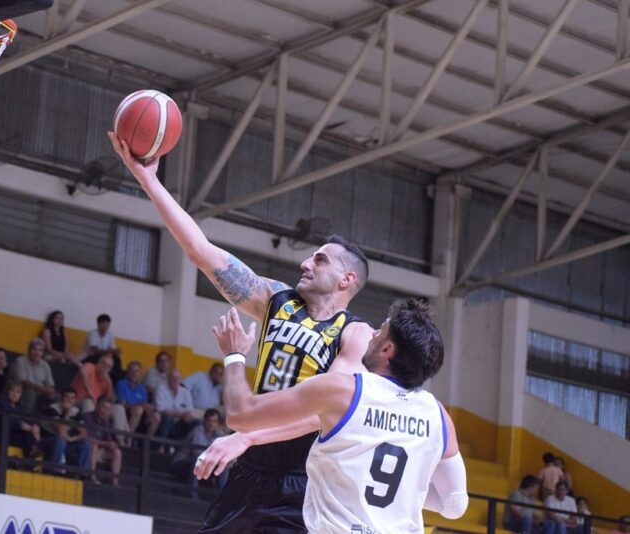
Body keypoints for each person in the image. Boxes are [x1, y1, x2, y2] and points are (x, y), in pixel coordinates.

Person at [110, 132, 373, 532]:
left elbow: (323, 413)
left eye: (319, 260)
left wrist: (247, 436)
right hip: (249, 468)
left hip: (303, 476)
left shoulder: (356, 335)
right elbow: (200, 251)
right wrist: (147, 179)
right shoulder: (275, 300)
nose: (305, 263)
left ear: (346, 279)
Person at [211, 302, 468, 533]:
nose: (372, 334)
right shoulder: (439, 416)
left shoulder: (342, 390)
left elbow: (239, 414)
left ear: (387, 349)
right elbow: (455, 504)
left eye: (380, 331)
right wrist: (408, 488)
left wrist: (234, 355)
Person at [172, 408, 228, 498]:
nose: (211, 424)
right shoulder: (197, 431)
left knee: (222, 466)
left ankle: (223, 497)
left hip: (205, 466)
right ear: (204, 421)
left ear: (217, 423)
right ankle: (192, 494)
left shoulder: (219, 435)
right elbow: (197, 453)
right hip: (182, 463)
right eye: (209, 421)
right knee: (198, 460)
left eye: (214, 421)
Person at [39, 388, 91, 475]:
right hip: (49, 441)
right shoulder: (53, 408)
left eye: (72, 398)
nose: (70, 400)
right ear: (62, 398)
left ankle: (82, 474)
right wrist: (67, 413)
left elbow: (84, 433)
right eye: (67, 397)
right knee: (61, 440)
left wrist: (73, 438)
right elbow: (60, 430)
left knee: (86, 443)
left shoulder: (76, 411)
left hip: (67, 442)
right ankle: (54, 470)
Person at [0, 381, 42, 460]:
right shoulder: (1, 403)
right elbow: (12, 420)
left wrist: (34, 428)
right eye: (12, 391)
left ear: (21, 395)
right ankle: (34, 450)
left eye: (18, 392)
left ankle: (34, 450)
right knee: (27, 434)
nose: (15, 394)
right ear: (7, 391)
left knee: (28, 433)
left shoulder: (19, 407)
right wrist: (28, 427)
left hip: (10, 435)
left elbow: (26, 421)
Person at [8, 338, 57, 413]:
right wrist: (41, 389)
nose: (37, 353)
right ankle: (25, 417)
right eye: (34, 349)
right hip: (22, 391)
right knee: (30, 392)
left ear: (43, 353)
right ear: (29, 350)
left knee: (57, 397)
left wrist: (50, 390)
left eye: (40, 350)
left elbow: (50, 384)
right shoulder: (20, 361)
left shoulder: (45, 365)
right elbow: (23, 382)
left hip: (40, 393)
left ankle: (49, 419)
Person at [115, 360, 161, 439]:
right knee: (138, 409)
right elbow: (122, 405)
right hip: (127, 414)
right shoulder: (121, 384)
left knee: (157, 416)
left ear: (140, 373)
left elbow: (144, 404)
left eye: (137, 371)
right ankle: (128, 438)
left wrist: (149, 409)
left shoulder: (142, 388)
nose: (134, 373)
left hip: (142, 416)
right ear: (127, 372)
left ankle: (146, 442)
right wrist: (138, 405)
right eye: (132, 370)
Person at [155, 368, 200, 446]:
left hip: (179, 422)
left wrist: (182, 415)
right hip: (164, 421)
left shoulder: (185, 392)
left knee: (196, 423)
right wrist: (180, 414)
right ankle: (160, 447)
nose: (175, 380)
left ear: (181, 380)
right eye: (172, 377)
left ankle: (189, 448)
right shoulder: (161, 389)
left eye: (177, 378)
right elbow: (161, 409)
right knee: (167, 419)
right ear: (168, 378)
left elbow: (189, 410)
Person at [86, 395, 123, 486]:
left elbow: (108, 439)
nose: (105, 411)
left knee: (117, 452)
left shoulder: (106, 421)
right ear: (97, 406)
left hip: (100, 451)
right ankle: (92, 476)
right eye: (103, 407)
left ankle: (115, 482)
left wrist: (112, 445)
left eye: (108, 409)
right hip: (88, 449)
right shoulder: (88, 417)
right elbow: (88, 438)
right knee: (94, 447)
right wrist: (106, 443)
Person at [83, 313, 123, 384]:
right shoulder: (92, 333)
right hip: (91, 357)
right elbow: (95, 350)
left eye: (107, 324)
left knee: (117, 359)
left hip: (104, 358)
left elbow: (112, 349)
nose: (105, 326)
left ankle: (117, 382)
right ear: (98, 324)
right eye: (103, 324)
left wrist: (116, 352)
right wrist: (109, 351)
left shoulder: (110, 335)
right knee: (100, 357)